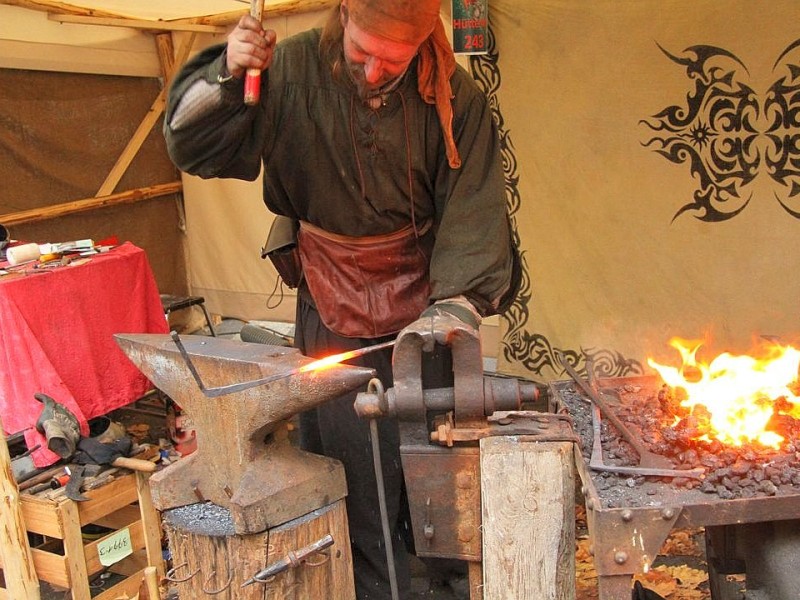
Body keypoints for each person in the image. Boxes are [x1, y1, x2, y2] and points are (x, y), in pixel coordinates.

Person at [163, 1, 520, 598]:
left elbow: (474, 200)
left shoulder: (456, 96)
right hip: (328, 301)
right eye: (363, 53)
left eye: (394, 60)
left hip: (423, 304)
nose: (376, 72)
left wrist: (456, 305)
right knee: (350, 467)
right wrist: (227, 72)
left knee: (434, 463)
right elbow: (194, 149)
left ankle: (444, 582)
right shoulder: (289, 69)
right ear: (344, 14)